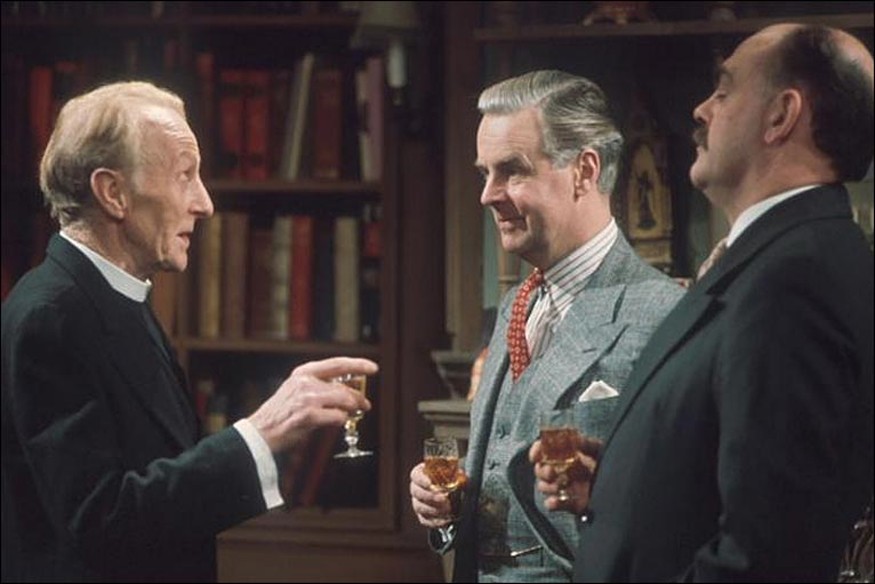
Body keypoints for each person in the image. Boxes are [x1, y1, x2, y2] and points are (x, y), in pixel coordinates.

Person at [533, 24, 874, 582]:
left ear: (781, 115)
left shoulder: (796, 279)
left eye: (723, 90)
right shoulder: (777, 257)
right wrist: (621, 487)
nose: (700, 109)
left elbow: (767, 554)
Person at [0, 81, 376, 582]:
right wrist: (262, 431)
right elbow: (102, 520)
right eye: (185, 176)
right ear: (113, 193)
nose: (205, 204)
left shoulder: (116, 297)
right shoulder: (49, 316)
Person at [409, 70, 684, 582]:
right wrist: (449, 506)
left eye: (511, 171)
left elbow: (681, 511)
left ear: (584, 170)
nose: (487, 195)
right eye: (484, 173)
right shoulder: (516, 306)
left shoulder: (664, 315)